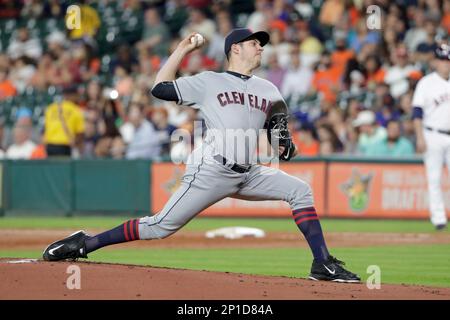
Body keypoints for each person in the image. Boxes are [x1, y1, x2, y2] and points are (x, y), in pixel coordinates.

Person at [42, 29, 360, 283]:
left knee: (299, 190)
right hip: (211, 169)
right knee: (159, 227)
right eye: (254, 43)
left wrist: (284, 145)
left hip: (249, 171)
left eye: (261, 44)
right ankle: (85, 243)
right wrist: (182, 50)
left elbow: (279, 134)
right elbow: (159, 88)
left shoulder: (270, 91)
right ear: (235, 48)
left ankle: (323, 264)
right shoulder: (210, 81)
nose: (261, 48)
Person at [412, 43, 450, 231]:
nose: (446, 64)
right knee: (434, 179)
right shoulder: (426, 83)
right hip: (432, 134)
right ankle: (439, 219)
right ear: (435, 61)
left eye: (448, 60)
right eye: (443, 60)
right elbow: (417, 112)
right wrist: (420, 136)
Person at [43, 86, 85, 157]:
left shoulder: (51, 108)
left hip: (49, 145)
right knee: (63, 167)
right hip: (64, 145)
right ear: (72, 95)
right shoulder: (76, 110)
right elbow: (80, 133)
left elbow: (45, 129)